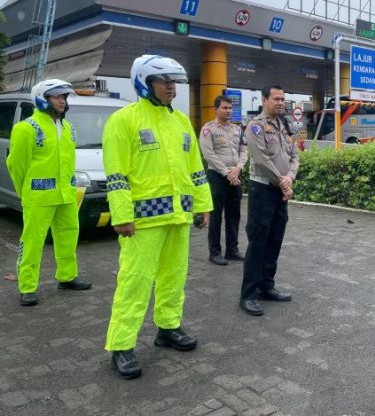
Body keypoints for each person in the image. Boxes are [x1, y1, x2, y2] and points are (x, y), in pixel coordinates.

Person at [103, 54, 212, 379]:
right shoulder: (123, 120)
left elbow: (195, 168)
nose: (170, 87)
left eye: (173, 81)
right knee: (135, 281)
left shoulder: (181, 122)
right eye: (163, 81)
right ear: (144, 82)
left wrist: (202, 205)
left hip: (178, 217)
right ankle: (121, 345)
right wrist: (121, 215)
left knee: (174, 276)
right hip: (142, 222)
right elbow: (116, 174)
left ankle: (168, 328)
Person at [7, 79, 92, 307]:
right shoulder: (27, 128)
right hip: (39, 196)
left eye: (64, 97)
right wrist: (25, 192)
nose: (62, 101)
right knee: (33, 241)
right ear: (42, 99)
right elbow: (16, 165)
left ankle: (67, 277)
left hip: (66, 194)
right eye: (57, 97)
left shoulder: (69, 128)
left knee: (68, 236)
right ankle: (27, 287)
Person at [239, 84, 298, 316]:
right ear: (264, 100)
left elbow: (295, 157)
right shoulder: (255, 126)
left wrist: (289, 178)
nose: (281, 102)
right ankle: (249, 294)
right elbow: (262, 159)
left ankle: (266, 287)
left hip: (281, 192)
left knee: (275, 240)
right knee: (258, 242)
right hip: (262, 190)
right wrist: (283, 182)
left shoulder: (285, 125)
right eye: (276, 99)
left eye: (283, 99)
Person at [199, 95, 248, 265]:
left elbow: (244, 151)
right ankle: (215, 252)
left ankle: (232, 250)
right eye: (224, 108)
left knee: (234, 214)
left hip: (235, 175)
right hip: (217, 177)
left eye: (230, 108)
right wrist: (227, 173)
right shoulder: (208, 129)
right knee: (216, 215)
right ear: (216, 109)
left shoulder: (237, 129)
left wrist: (238, 168)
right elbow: (209, 155)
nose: (228, 111)